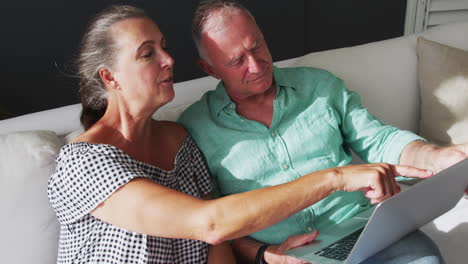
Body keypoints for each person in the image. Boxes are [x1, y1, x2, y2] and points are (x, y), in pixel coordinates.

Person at [47, 4, 434, 264]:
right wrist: (335, 177)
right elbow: (210, 223)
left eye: (164, 47)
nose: (169, 60)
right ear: (110, 77)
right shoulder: (84, 162)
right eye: (148, 54)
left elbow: (215, 247)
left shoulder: (179, 141)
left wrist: (265, 255)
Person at [178, 0, 468, 263]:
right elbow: (214, 221)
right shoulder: (196, 129)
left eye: (257, 47)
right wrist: (262, 255)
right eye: (236, 61)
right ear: (211, 69)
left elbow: (380, 140)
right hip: (287, 254)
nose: (255, 66)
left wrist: (439, 159)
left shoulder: (318, 86)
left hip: (363, 231)